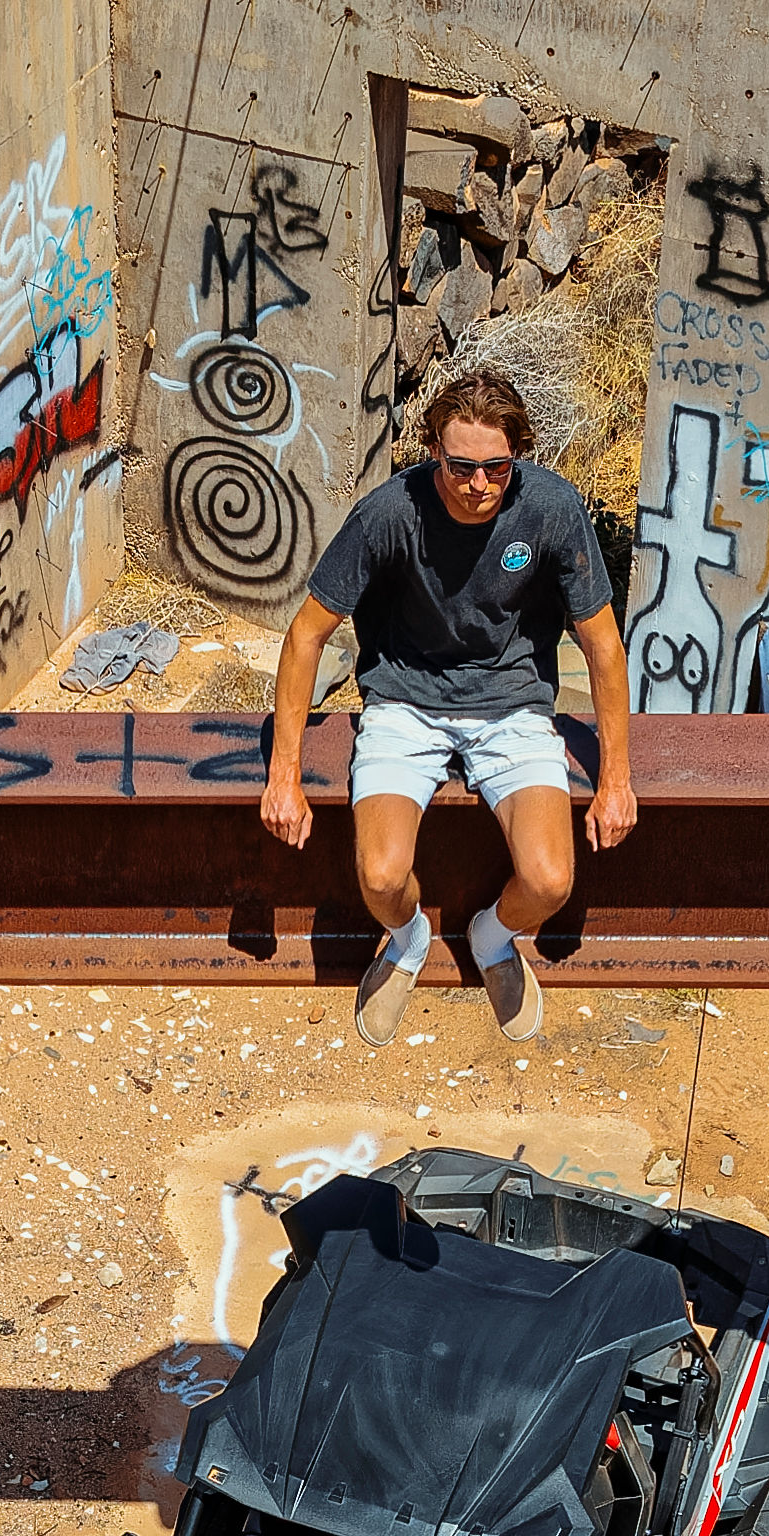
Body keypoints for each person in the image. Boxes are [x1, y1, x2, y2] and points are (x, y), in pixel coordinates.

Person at [259, 371, 634, 1042]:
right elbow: (306, 634)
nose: (479, 485)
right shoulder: (389, 513)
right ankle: (407, 940)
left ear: (518, 454)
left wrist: (616, 782)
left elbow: (603, 646)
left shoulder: (550, 508)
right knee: (379, 875)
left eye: (496, 467)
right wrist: (282, 777)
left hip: (512, 703)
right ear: (434, 449)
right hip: (405, 699)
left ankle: (491, 940)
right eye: (461, 467)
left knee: (550, 882)